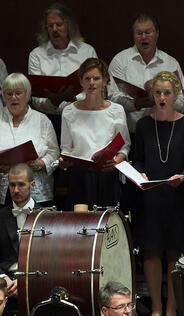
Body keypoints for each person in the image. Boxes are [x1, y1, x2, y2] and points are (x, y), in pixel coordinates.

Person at [129, 71, 184, 316]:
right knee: (151, 251)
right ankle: (156, 307)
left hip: (177, 196)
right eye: (157, 92)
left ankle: (172, 307)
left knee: (174, 252)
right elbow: (137, 157)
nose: (161, 97)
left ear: (176, 94)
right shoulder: (144, 124)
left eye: (167, 92)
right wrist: (140, 171)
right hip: (150, 196)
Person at [0, 73, 60, 208]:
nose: (13, 98)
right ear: (3, 96)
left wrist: (40, 164)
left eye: (18, 93)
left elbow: (54, 153)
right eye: (9, 94)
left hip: (36, 192)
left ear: (28, 94)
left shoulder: (42, 120)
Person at [59, 58, 128, 208]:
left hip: (106, 175)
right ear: (81, 81)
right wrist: (64, 161)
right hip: (79, 176)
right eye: (87, 78)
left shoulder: (116, 110)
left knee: (107, 224)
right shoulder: (69, 111)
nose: (91, 83)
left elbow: (124, 147)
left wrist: (116, 160)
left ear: (104, 81)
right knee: (81, 226)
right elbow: (65, 148)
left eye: (96, 78)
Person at [109, 14, 184, 132]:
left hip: (164, 131)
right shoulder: (120, 61)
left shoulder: (171, 63)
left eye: (148, 32)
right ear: (133, 35)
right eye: (139, 33)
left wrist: (162, 99)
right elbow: (111, 98)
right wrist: (136, 104)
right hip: (131, 134)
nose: (143, 37)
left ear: (157, 33)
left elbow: (183, 102)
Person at [27, 3, 97, 116]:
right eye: (50, 26)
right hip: (49, 117)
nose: (54, 29)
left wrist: (74, 98)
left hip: (81, 115)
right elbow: (35, 96)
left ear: (68, 26)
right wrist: (52, 102)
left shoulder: (87, 51)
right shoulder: (36, 55)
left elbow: (95, 87)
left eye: (59, 25)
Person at [0, 165, 36, 295]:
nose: (16, 190)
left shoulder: (46, 216)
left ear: (32, 185)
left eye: (21, 185)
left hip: (35, 279)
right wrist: (3, 279)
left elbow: (51, 260)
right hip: (4, 279)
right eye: (12, 185)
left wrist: (24, 280)